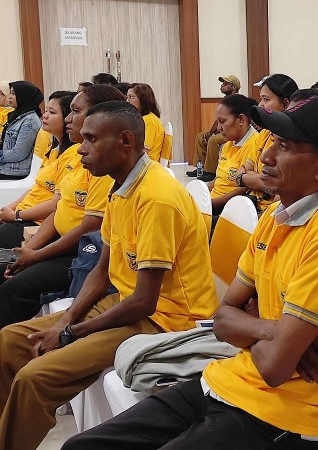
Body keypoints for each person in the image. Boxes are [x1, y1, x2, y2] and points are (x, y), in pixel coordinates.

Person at [65, 94, 318, 450]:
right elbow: (222, 319)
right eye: (272, 141)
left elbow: (275, 367)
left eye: (285, 147)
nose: (266, 156)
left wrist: (255, 325)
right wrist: (272, 329)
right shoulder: (275, 218)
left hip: (284, 415)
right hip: (227, 381)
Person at [1, 101, 217, 450]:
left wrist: (69, 333)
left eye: (91, 139)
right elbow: (102, 271)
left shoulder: (157, 199)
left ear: (125, 142)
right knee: (10, 340)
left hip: (166, 320)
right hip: (124, 304)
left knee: (35, 377)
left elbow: (145, 302)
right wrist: (66, 320)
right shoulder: (120, 187)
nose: (80, 148)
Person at [0, 85, 122, 329]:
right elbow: (60, 210)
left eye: (75, 111)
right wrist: (29, 250)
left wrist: (35, 254)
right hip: (60, 241)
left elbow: (90, 228)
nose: (68, 118)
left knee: (14, 288)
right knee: (8, 264)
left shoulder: (103, 167)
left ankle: (15, 343)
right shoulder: (77, 155)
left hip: (83, 252)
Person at [0, 91, 76, 248]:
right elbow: (36, 187)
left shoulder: (73, 155)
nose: (44, 116)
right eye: (46, 110)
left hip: (36, 222)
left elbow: (57, 203)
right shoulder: (53, 150)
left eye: (52, 112)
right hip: (23, 214)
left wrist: (16, 215)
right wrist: (8, 209)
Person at [239, 74, 299, 213]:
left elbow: (281, 188)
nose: (260, 105)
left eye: (266, 99)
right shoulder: (264, 134)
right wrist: (247, 177)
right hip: (250, 204)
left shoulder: (294, 142)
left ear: (286, 104)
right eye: (261, 99)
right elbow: (246, 169)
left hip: (271, 211)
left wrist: (244, 178)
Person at [207, 94, 259, 216]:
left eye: (222, 121)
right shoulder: (227, 144)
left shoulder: (254, 144)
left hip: (229, 209)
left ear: (241, 119)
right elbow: (218, 179)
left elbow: (244, 189)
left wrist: (210, 204)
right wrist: (201, 194)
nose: (218, 128)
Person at [187, 75, 241, 181]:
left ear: (234, 87)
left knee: (213, 140)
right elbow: (218, 120)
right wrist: (210, 132)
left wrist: (213, 134)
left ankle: (211, 172)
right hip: (222, 130)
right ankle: (201, 168)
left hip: (232, 132)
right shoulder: (225, 100)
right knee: (200, 136)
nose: (222, 85)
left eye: (225, 84)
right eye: (222, 83)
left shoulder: (237, 101)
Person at [0, 81, 43, 180]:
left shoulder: (30, 121)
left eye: (14, 94)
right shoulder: (18, 116)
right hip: (7, 165)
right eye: (10, 93)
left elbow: (18, 153)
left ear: (24, 96)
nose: (10, 97)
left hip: (15, 170)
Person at [126, 83, 166, 163]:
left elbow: (143, 151)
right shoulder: (143, 118)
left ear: (143, 100)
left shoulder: (149, 120)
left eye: (131, 97)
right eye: (127, 97)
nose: (127, 101)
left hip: (146, 165)